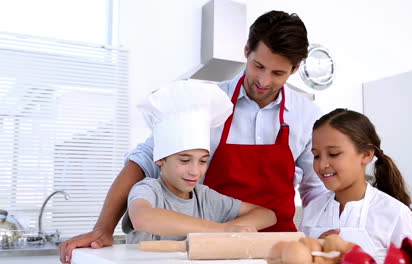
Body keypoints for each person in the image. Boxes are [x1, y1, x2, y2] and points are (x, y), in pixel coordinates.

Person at [59, 10, 326, 263]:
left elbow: (315, 191)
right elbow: (142, 163)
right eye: (258, 66)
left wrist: (319, 242)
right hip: (211, 248)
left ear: (294, 70)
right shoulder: (204, 103)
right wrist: (103, 228)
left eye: (278, 73)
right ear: (246, 51)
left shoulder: (308, 117)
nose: (264, 81)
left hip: (278, 249)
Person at [123, 80, 276, 243]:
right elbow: (142, 218)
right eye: (184, 160)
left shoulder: (204, 197)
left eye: (202, 161)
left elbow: (267, 215)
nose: (195, 171)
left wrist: (232, 228)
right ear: (161, 158)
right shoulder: (148, 190)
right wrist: (222, 229)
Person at [299, 108, 412, 263]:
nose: (322, 164)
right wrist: (314, 250)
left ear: (366, 155)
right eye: (316, 155)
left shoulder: (396, 215)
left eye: (334, 154)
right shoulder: (313, 209)